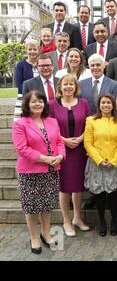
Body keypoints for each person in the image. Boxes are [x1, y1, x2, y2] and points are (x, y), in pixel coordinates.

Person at [12, 90, 65, 254]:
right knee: (32, 206)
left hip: (50, 170)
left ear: (45, 104)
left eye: (40, 101)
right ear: (27, 104)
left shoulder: (52, 121)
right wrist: (44, 158)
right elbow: (21, 148)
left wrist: (61, 155)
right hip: (30, 172)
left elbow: (59, 141)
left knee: (47, 204)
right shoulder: (20, 124)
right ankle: (34, 236)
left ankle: (46, 233)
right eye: (33, 101)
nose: (37, 104)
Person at [49, 75, 91, 236]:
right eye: (65, 84)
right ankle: (66, 220)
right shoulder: (52, 105)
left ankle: (77, 218)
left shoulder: (84, 103)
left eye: (71, 84)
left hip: (80, 150)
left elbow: (89, 124)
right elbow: (49, 127)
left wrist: (80, 139)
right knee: (64, 187)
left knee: (78, 186)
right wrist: (64, 140)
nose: (68, 87)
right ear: (60, 87)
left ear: (75, 87)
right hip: (62, 150)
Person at [84, 94, 117, 236]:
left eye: (108, 103)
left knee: (112, 194)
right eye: (103, 103)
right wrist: (99, 160)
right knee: (99, 195)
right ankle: (102, 221)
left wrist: (114, 161)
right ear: (99, 105)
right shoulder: (91, 121)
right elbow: (87, 143)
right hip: (97, 163)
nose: (106, 105)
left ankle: (114, 221)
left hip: (113, 163)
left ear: (113, 105)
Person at [14, 41, 40, 121]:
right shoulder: (21, 65)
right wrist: (29, 97)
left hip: (40, 98)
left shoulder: (41, 64)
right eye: (30, 49)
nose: (32, 51)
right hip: (24, 97)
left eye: (35, 49)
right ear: (26, 50)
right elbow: (19, 83)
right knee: (21, 121)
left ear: (38, 50)